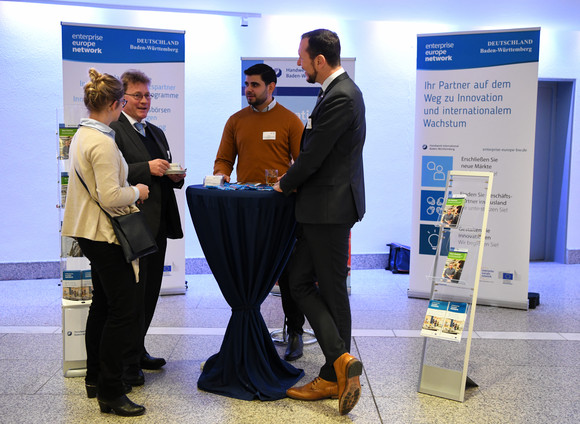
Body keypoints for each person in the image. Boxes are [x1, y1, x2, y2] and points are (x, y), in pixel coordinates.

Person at [273, 29, 366, 415]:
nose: (298, 63)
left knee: (330, 290)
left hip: (328, 210)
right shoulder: (333, 92)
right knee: (298, 281)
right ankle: (340, 364)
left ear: (320, 61)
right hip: (319, 209)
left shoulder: (342, 95)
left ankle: (334, 372)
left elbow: (314, 156)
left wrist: (284, 183)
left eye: (301, 57)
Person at [62, 68, 148, 417]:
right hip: (104, 233)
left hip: (89, 231)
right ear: (116, 103)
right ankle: (111, 392)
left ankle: (96, 378)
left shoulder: (84, 133)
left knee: (102, 305)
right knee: (123, 310)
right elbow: (111, 195)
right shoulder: (102, 140)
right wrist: (138, 190)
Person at [213, 63, 307, 361]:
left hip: (282, 210)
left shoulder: (290, 121)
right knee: (249, 272)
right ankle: (249, 328)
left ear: (271, 87)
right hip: (247, 209)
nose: (248, 90)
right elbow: (224, 160)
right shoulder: (235, 121)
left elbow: (303, 164)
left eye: (254, 85)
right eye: (247, 84)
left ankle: (295, 332)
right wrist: (221, 175)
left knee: (290, 275)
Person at [110, 70, 185, 385]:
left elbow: (164, 166)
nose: (144, 101)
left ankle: (138, 350)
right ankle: (126, 363)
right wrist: (146, 168)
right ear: (123, 98)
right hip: (132, 224)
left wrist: (175, 176)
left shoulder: (156, 131)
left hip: (157, 223)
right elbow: (111, 173)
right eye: (138, 95)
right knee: (133, 295)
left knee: (150, 292)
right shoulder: (113, 130)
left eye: (148, 95)